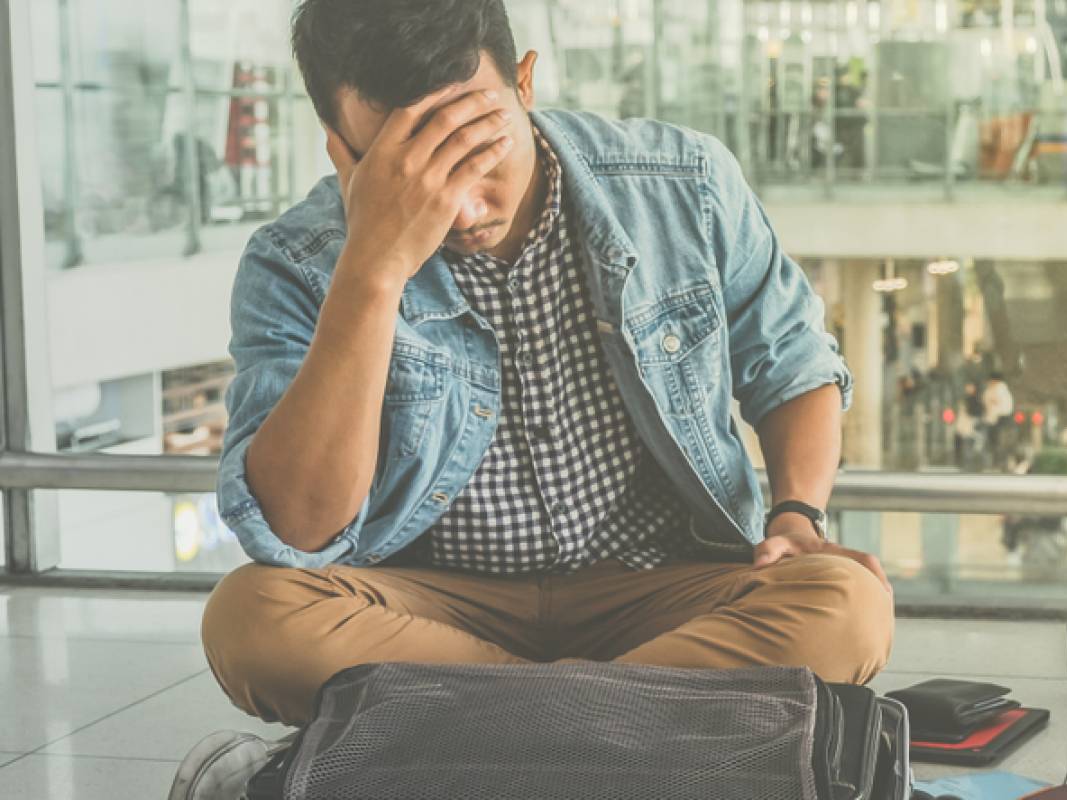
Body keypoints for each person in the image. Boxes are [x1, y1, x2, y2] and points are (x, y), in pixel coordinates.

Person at [171, 2, 892, 795]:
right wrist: (373, 270)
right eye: (413, 172)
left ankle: (427, 747)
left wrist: (797, 514)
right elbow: (298, 531)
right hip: (433, 613)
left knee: (850, 605)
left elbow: (791, 362)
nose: (465, 210)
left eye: (481, 153)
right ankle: (640, 731)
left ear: (523, 81)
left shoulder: (682, 182)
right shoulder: (296, 262)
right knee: (252, 620)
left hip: (660, 587)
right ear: (342, 151)